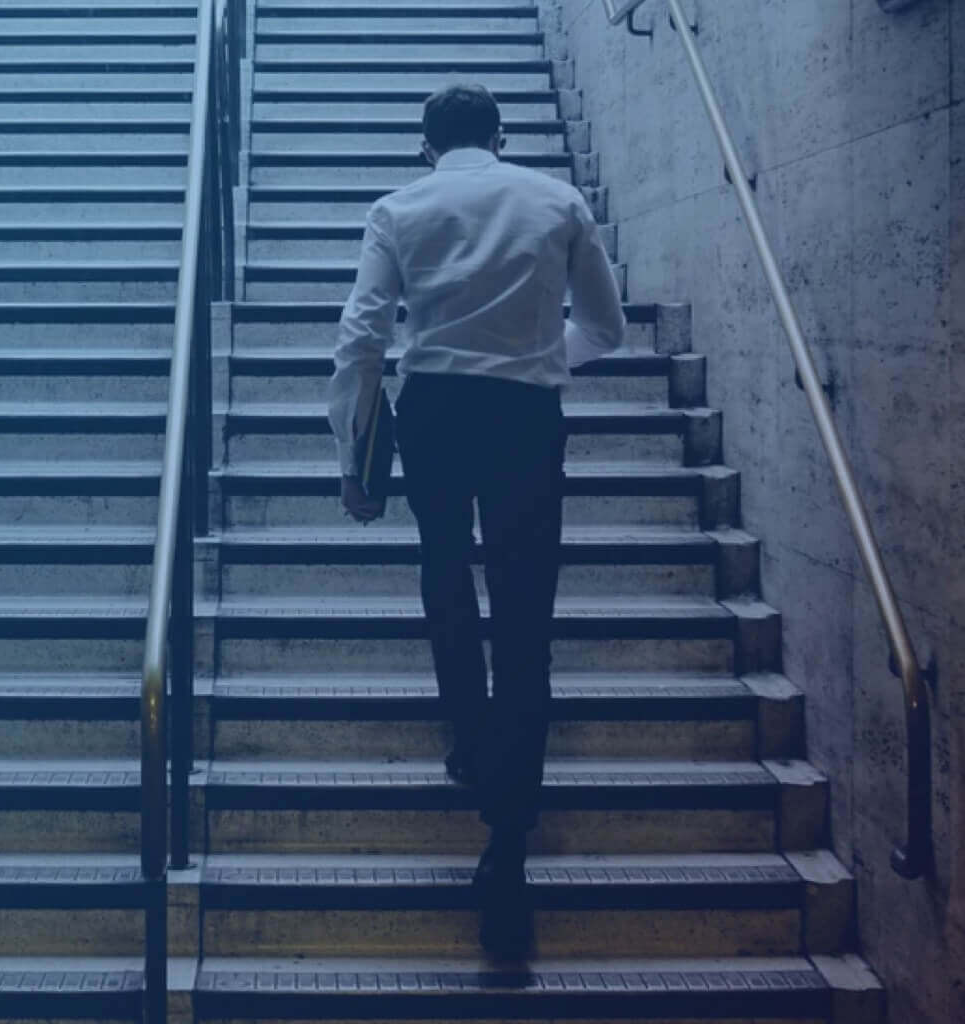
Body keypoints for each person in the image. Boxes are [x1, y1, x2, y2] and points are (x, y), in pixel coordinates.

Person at [326, 83, 626, 959]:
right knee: (526, 614)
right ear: (500, 135)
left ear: (425, 144)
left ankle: (469, 737)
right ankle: (510, 830)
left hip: (435, 413)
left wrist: (353, 456)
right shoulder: (557, 199)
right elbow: (604, 329)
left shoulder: (398, 208)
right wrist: (535, 360)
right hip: (525, 417)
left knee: (446, 576)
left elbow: (363, 335)